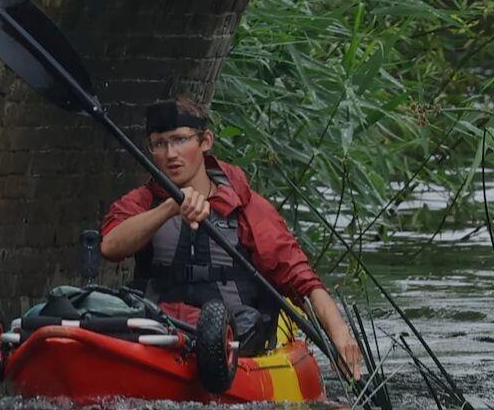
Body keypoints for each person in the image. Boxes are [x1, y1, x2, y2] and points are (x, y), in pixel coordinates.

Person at [100, 97, 363, 378]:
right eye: (159, 144)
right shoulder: (144, 201)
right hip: (158, 327)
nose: (170, 154)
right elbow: (111, 246)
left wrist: (340, 333)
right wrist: (170, 208)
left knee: (244, 325)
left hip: (232, 335)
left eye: (179, 140)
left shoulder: (246, 207)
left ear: (205, 142)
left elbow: (303, 282)